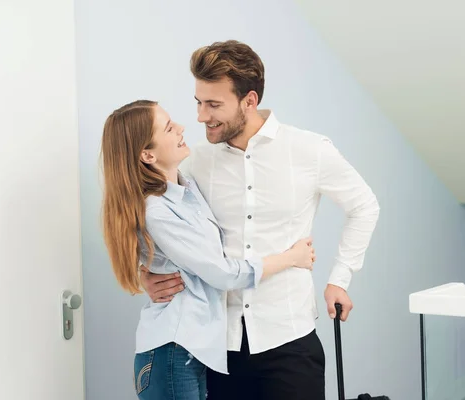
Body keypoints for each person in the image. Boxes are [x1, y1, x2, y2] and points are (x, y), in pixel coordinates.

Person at [141, 40, 380, 400]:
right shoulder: (195, 163)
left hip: (290, 339)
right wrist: (142, 273)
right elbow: (146, 214)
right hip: (219, 347)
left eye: (213, 105)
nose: (201, 116)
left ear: (249, 101)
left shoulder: (308, 150)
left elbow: (364, 205)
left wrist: (339, 279)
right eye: (199, 103)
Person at [100, 99, 317, 400]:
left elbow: (182, 257)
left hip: (194, 353)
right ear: (147, 154)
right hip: (173, 354)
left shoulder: (187, 190)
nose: (181, 127)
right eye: (168, 128)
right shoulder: (158, 211)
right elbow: (224, 273)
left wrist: (145, 272)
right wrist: (291, 258)